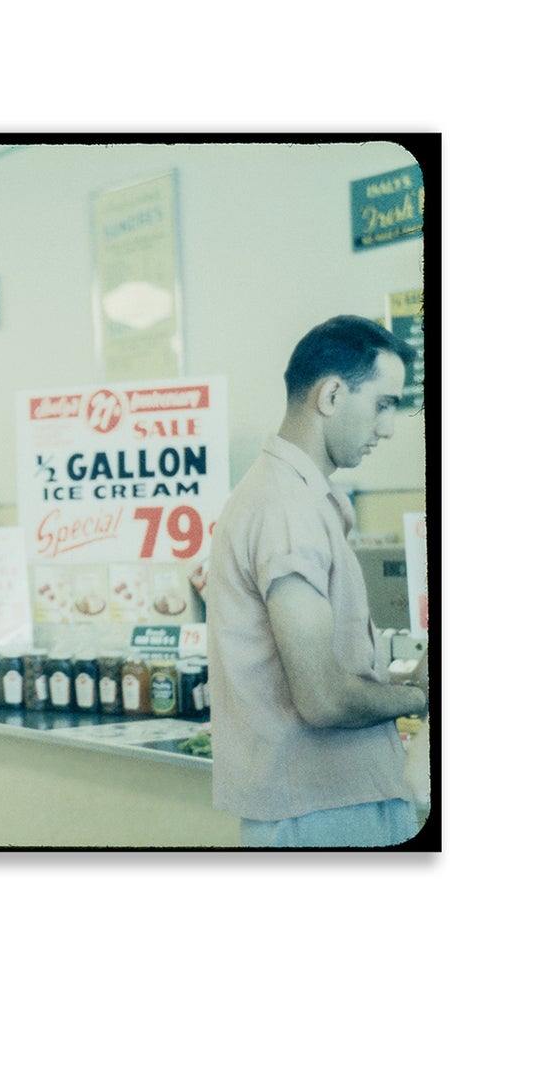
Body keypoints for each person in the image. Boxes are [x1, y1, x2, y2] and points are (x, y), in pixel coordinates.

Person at [207, 315, 429, 848]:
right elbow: (323, 700)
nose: (388, 427)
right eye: (383, 404)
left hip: (321, 806)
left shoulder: (295, 496)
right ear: (331, 394)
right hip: (322, 815)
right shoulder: (287, 508)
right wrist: (419, 697)